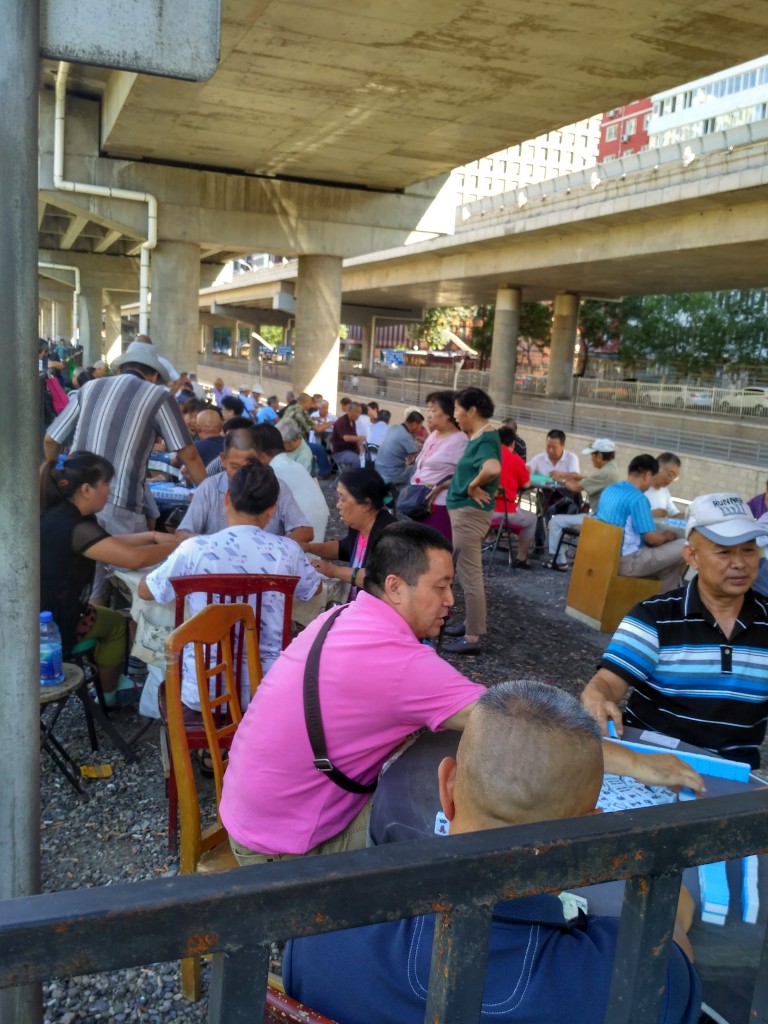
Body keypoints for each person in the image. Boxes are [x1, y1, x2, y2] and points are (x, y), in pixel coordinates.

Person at [220, 522, 703, 864]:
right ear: (395, 587)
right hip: (286, 845)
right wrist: (641, 764)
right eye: (442, 586)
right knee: (453, 815)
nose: (452, 600)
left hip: (256, 807)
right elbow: (520, 729)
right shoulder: (400, 664)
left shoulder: (344, 616)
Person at [283, 681, 701, 1024]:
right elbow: (672, 938)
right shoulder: (637, 975)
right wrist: (667, 901)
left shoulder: (320, 933)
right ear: (588, 829)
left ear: (447, 788)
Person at [582, 492, 768, 767]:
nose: (740, 563)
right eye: (724, 552)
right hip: (648, 764)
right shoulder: (654, 616)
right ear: (691, 556)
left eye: (749, 550)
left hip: (733, 772)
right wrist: (597, 697)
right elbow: (606, 684)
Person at [138, 460, 322, 710]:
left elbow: (146, 591)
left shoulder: (194, 549)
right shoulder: (287, 550)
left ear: (226, 498)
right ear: (271, 511)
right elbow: (314, 589)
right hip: (267, 689)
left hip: (203, 691)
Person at [43, 340, 206, 600]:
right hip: (121, 503)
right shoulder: (157, 395)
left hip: (77, 501)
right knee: (130, 590)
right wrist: (210, 494)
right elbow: (190, 455)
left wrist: (56, 479)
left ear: (121, 368)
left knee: (88, 589)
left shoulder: (89, 388)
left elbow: (52, 439)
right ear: (153, 374)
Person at [40, 453, 180, 706]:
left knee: (111, 617)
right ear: (86, 489)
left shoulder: (65, 516)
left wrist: (153, 536)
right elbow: (132, 559)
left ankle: (107, 687)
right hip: (51, 624)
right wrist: (181, 549)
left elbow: (108, 544)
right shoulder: (74, 525)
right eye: (106, 484)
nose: (109, 490)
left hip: (42, 612)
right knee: (116, 624)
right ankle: (109, 696)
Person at [176, 426, 312, 546]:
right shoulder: (209, 487)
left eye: (249, 466)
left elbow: (305, 531)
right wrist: (220, 546)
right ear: (223, 460)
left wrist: (272, 548)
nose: (241, 473)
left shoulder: (277, 487)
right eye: (235, 466)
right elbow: (183, 534)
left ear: (261, 459)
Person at [443, 388, 501, 655]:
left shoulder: (486, 438)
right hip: (464, 513)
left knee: (470, 574)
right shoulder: (480, 436)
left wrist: (472, 486)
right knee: (466, 572)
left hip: (469, 514)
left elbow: (493, 468)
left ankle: (473, 635)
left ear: (472, 411)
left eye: (457, 410)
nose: (455, 416)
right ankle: (469, 623)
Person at [596, 454, 686, 593]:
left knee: (670, 568)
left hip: (604, 556)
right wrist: (668, 536)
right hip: (628, 562)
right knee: (689, 545)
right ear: (647, 475)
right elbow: (652, 539)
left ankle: (661, 607)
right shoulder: (638, 499)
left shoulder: (610, 490)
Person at [303, 467, 394, 595]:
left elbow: (377, 577)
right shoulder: (359, 526)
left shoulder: (389, 534)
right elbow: (344, 548)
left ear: (366, 505)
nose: (338, 505)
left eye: (343, 499)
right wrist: (308, 547)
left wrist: (333, 570)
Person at [544, 438, 621, 571]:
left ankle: (560, 561)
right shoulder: (612, 468)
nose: (591, 459)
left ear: (599, 456)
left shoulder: (605, 473)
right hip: (605, 516)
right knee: (564, 520)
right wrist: (575, 477)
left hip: (600, 518)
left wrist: (560, 480)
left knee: (556, 521)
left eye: (592, 455)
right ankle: (560, 557)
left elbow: (575, 488)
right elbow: (592, 479)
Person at [250, 424, 329, 542]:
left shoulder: (273, 472)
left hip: (299, 545)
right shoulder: (292, 465)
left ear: (261, 455)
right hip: (313, 541)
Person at [407, 390, 468, 541]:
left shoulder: (460, 440)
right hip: (420, 502)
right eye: (428, 410)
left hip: (439, 505)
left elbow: (467, 476)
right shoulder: (433, 435)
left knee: (435, 547)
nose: (429, 415)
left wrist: (442, 486)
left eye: (433, 410)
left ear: (448, 414)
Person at [492, 425, 536, 569]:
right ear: (512, 444)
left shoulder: (486, 456)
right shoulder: (516, 460)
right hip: (504, 512)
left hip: (482, 509)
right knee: (532, 518)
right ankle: (521, 557)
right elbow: (526, 484)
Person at [373, 411, 424, 486]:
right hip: (390, 475)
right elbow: (418, 457)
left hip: (378, 468)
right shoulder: (406, 436)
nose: (419, 429)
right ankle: (405, 494)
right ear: (414, 424)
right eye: (420, 426)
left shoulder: (394, 428)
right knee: (415, 468)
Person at [331, 400, 365, 470]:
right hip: (341, 453)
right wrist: (363, 438)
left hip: (352, 450)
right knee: (357, 461)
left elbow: (355, 438)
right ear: (349, 411)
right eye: (356, 412)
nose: (358, 415)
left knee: (366, 458)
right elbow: (346, 438)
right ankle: (351, 479)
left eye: (360, 413)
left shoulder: (353, 422)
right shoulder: (341, 421)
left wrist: (360, 450)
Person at [646, 452, 682, 518]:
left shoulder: (665, 492)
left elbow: (674, 513)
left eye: (674, 477)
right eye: (670, 474)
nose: (671, 479)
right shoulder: (639, 488)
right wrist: (650, 515)